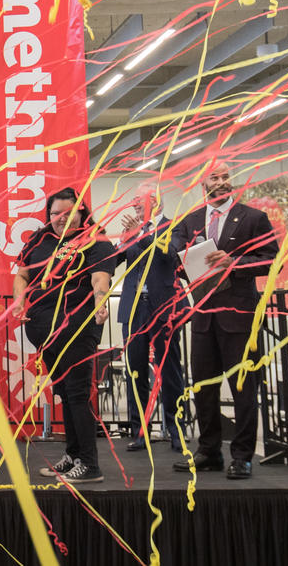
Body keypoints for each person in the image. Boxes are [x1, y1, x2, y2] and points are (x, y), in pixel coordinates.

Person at [172, 161, 279, 480]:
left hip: (240, 316)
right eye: (213, 177)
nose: (220, 181)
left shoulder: (252, 218)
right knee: (203, 387)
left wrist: (235, 262)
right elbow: (176, 264)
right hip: (203, 314)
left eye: (225, 176)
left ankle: (243, 455)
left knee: (244, 389)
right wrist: (183, 264)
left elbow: (271, 260)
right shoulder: (189, 221)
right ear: (202, 183)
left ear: (232, 182)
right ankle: (209, 451)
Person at [9, 187, 116, 484]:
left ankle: (90, 465)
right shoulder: (41, 239)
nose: (61, 219)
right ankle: (74, 455)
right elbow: (22, 274)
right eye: (55, 213)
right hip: (44, 330)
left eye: (68, 213)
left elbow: (100, 278)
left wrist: (100, 303)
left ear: (81, 212)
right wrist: (18, 300)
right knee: (65, 393)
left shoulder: (96, 239)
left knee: (78, 393)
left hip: (76, 327)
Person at [115, 180, 189, 453]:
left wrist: (141, 234)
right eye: (134, 199)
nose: (134, 203)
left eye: (139, 199)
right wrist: (120, 240)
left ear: (156, 201)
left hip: (164, 308)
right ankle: (139, 431)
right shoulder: (131, 230)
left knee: (169, 370)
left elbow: (171, 254)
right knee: (135, 372)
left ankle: (175, 430)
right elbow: (114, 262)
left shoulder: (175, 226)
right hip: (134, 309)